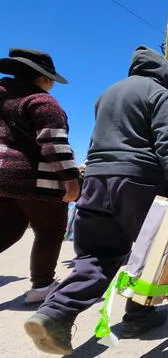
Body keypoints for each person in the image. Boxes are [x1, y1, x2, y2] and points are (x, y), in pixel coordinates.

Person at [25, 46, 168, 355]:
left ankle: (55, 313)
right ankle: (139, 315)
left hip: (96, 177)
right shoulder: (161, 94)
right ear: (166, 76)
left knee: (97, 254)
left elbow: (95, 140)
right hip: (138, 179)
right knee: (152, 251)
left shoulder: (107, 93)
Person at [0, 48, 81, 304]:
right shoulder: (41, 101)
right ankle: (42, 286)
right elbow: (53, 143)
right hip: (34, 180)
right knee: (49, 229)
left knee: (8, 229)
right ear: (44, 77)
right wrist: (70, 180)